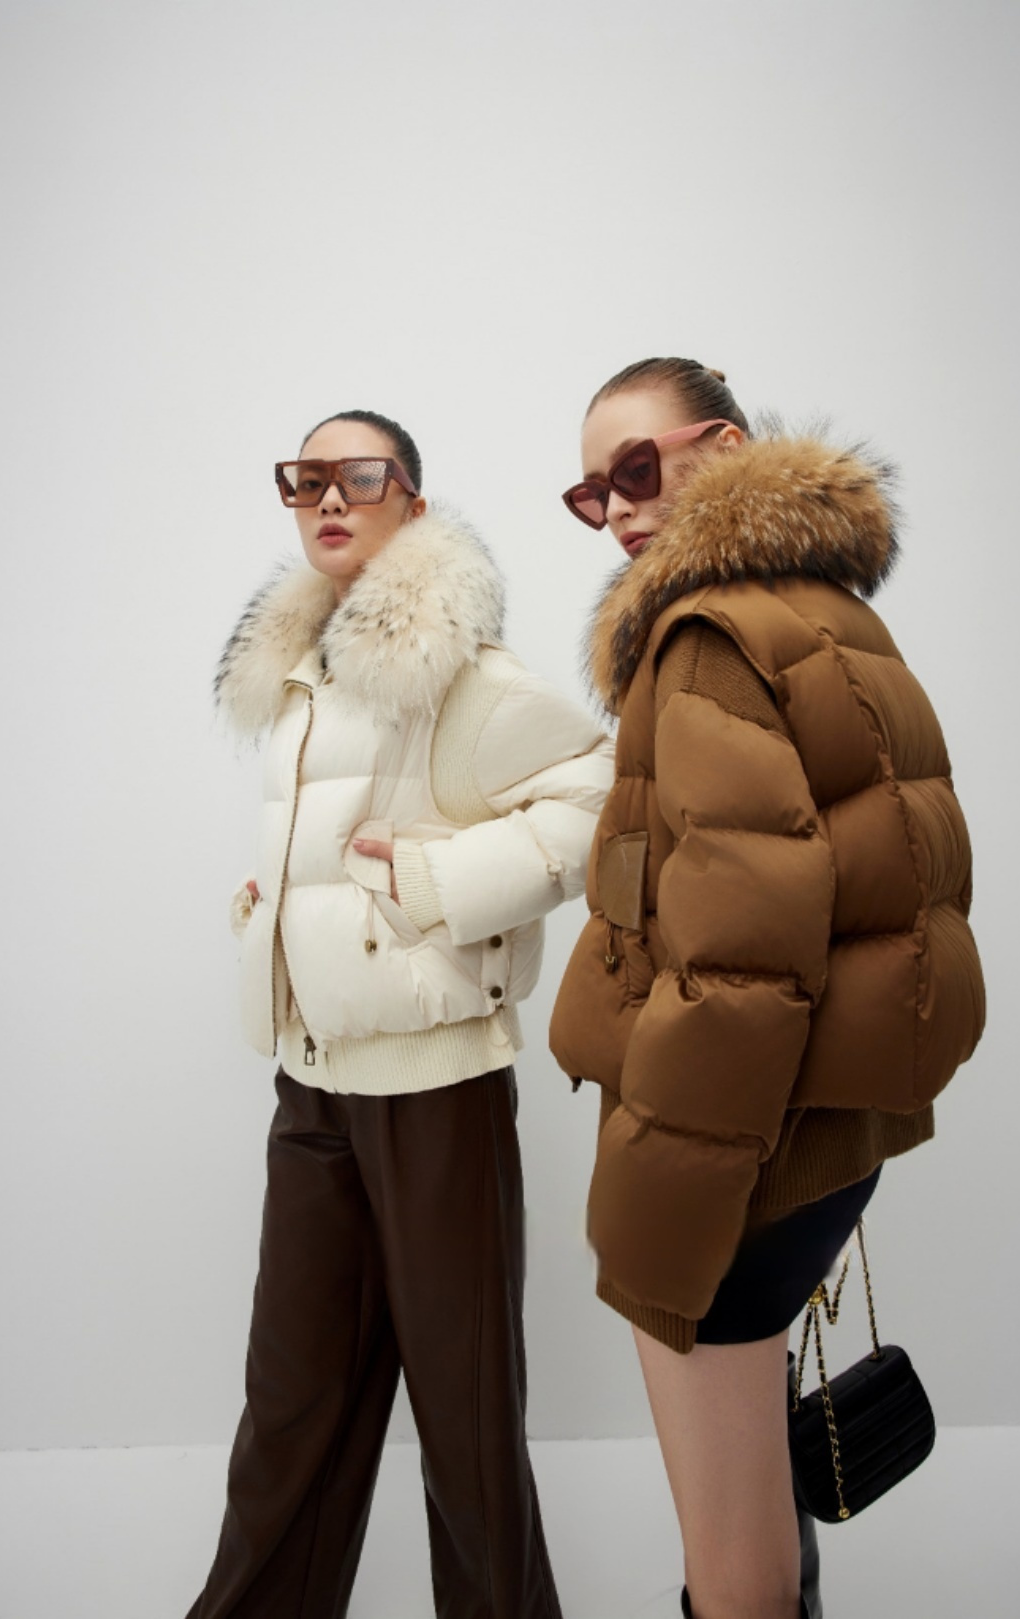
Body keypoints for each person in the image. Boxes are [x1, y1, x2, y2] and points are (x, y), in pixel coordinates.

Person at [549, 359, 985, 1619]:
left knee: (729, 1547)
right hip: (825, 1132)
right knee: (760, 1493)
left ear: (725, 446)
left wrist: (658, 1204)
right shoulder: (825, 607)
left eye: (637, 469)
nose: (618, 510)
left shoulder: (703, 636)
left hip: (734, 1148)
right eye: (591, 494)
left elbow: (742, 953)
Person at [188, 407, 613, 1619]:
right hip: (314, 1077)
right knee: (290, 1404)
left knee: (466, 1421)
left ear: (412, 503)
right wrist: (279, 914)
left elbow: (599, 801)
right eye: (306, 477)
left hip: (434, 1089)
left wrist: (437, 882)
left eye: (360, 475)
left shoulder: (459, 667)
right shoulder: (307, 673)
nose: (329, 496)